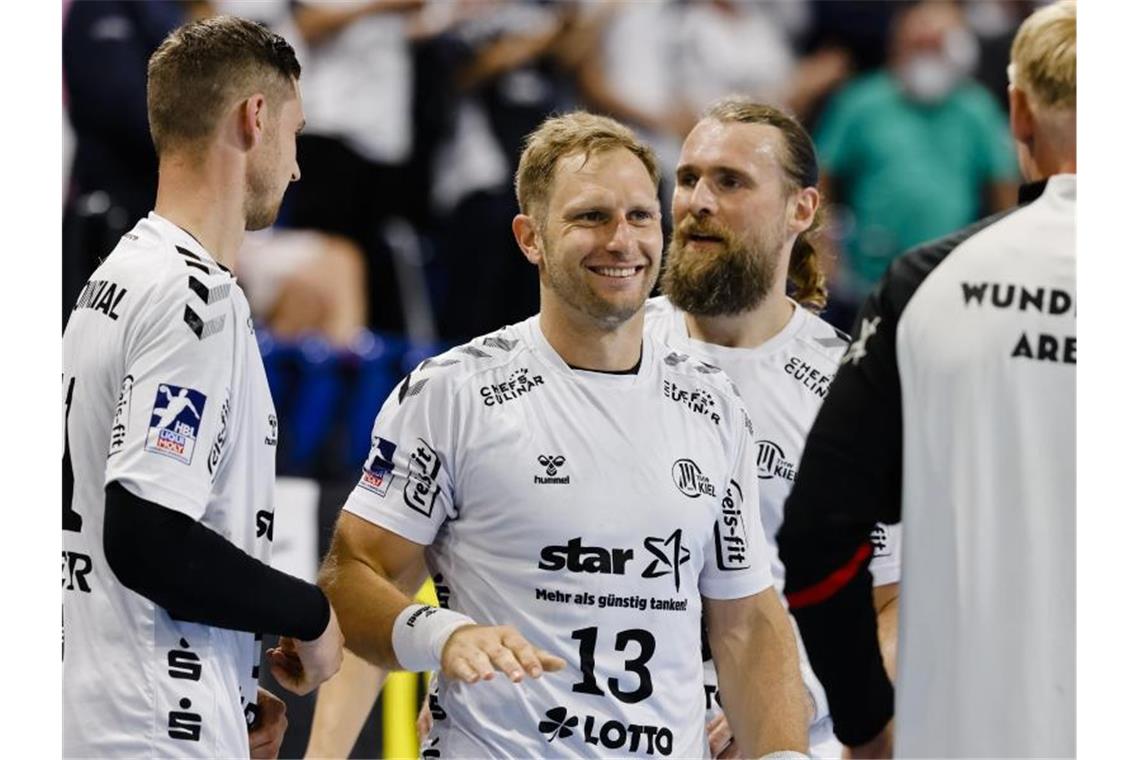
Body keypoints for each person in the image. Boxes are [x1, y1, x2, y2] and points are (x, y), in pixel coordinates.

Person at [318, 111, 811, 758]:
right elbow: (351, 576)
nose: (621, 240)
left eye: (640, 216)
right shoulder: (454, 393)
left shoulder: (712, 404)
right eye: (590, 217)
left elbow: (746, 621)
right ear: (531, 238)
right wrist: (440, 636)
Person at [776, 1, 1075, 756]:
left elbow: (818, 534)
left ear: (1017, 113)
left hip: (974, 721)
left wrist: (865, 723)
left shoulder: (928, 283)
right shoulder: (869, 110)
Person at [62, 16, 344, 758]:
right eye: (295, 135)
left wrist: (222, 679)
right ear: (255, 119)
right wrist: (308, 613)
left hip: (114, 702)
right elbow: (148, 539)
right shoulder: (194, 300)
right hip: (146, 728)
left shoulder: (117, 278)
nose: (296, 168)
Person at [643, 97, 901, 759]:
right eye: (688, 178)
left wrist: (793, 703)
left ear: (802, 210)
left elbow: (898, 605)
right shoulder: (605, 348)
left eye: (730, 181)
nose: (698, 199)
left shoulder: (856, 389)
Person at [813, 0, 1020, 320]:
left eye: (936, 45)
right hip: (867, 280)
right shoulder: (861, 101)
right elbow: (822, 177)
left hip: (950, 280)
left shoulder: (975, 108)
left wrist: (999, 265)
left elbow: (1004, 192)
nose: (926, 55)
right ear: (897, 44)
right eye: (917, 44)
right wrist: (823, 253)